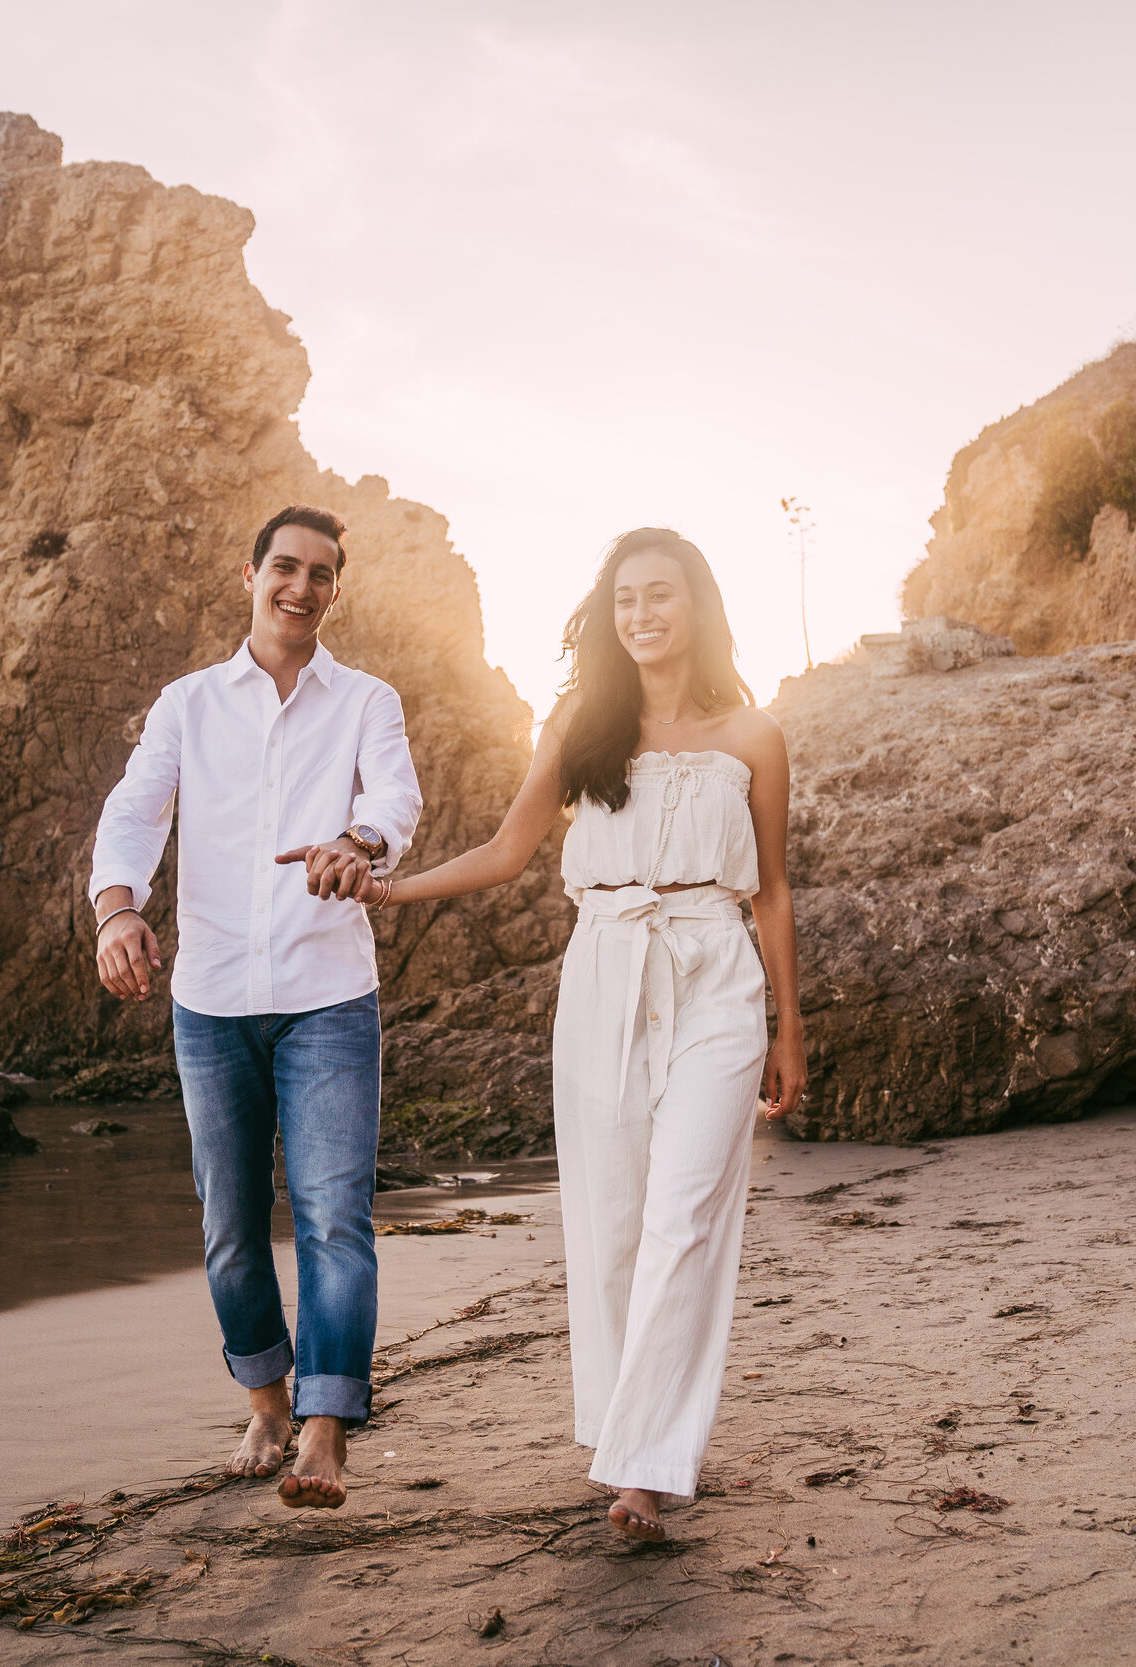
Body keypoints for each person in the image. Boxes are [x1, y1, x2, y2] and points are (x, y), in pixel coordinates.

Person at [318, 526, 806, 1542]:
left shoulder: (754, 734)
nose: (641, 613)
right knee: (615, 1218)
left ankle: (642, 1468)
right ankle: (637, 1440)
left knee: (685, 1215)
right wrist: (394, 886)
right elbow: (508, 847)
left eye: (660, 593)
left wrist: (785, 1022)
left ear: (698, 604)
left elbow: (772, 888)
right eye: (624, 597)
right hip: (604, 969)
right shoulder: (580, 724)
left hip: (717, 971)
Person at [89, 504, 421, 1512]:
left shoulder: (366, 699)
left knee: (334, 1221)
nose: (301, 586)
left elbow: (396, 801)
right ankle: (268, 1400)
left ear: (335, 588)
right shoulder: (188, 703)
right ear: (250, 574)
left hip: (329, 992)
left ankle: (325, 1426)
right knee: (230, 1226)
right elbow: (134, 811)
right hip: (213, 996)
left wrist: (356, 843)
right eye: (285, 566)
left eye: (322, 573)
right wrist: (116, 912)